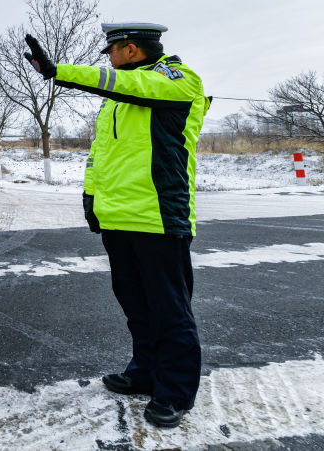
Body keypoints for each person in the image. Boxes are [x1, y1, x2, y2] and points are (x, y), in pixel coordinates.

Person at [23, 23, 210, 429]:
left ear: (130, 49)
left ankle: (176, 391)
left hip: (159, 217)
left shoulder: (177, 79)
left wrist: (60, 72)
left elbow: (124, 84)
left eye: (112, 49)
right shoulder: (117, 100)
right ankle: (144, 373)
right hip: (120, 219)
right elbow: (102, 155)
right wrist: (91, 200)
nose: (107, 58)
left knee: (169, 309)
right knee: (136, 306)